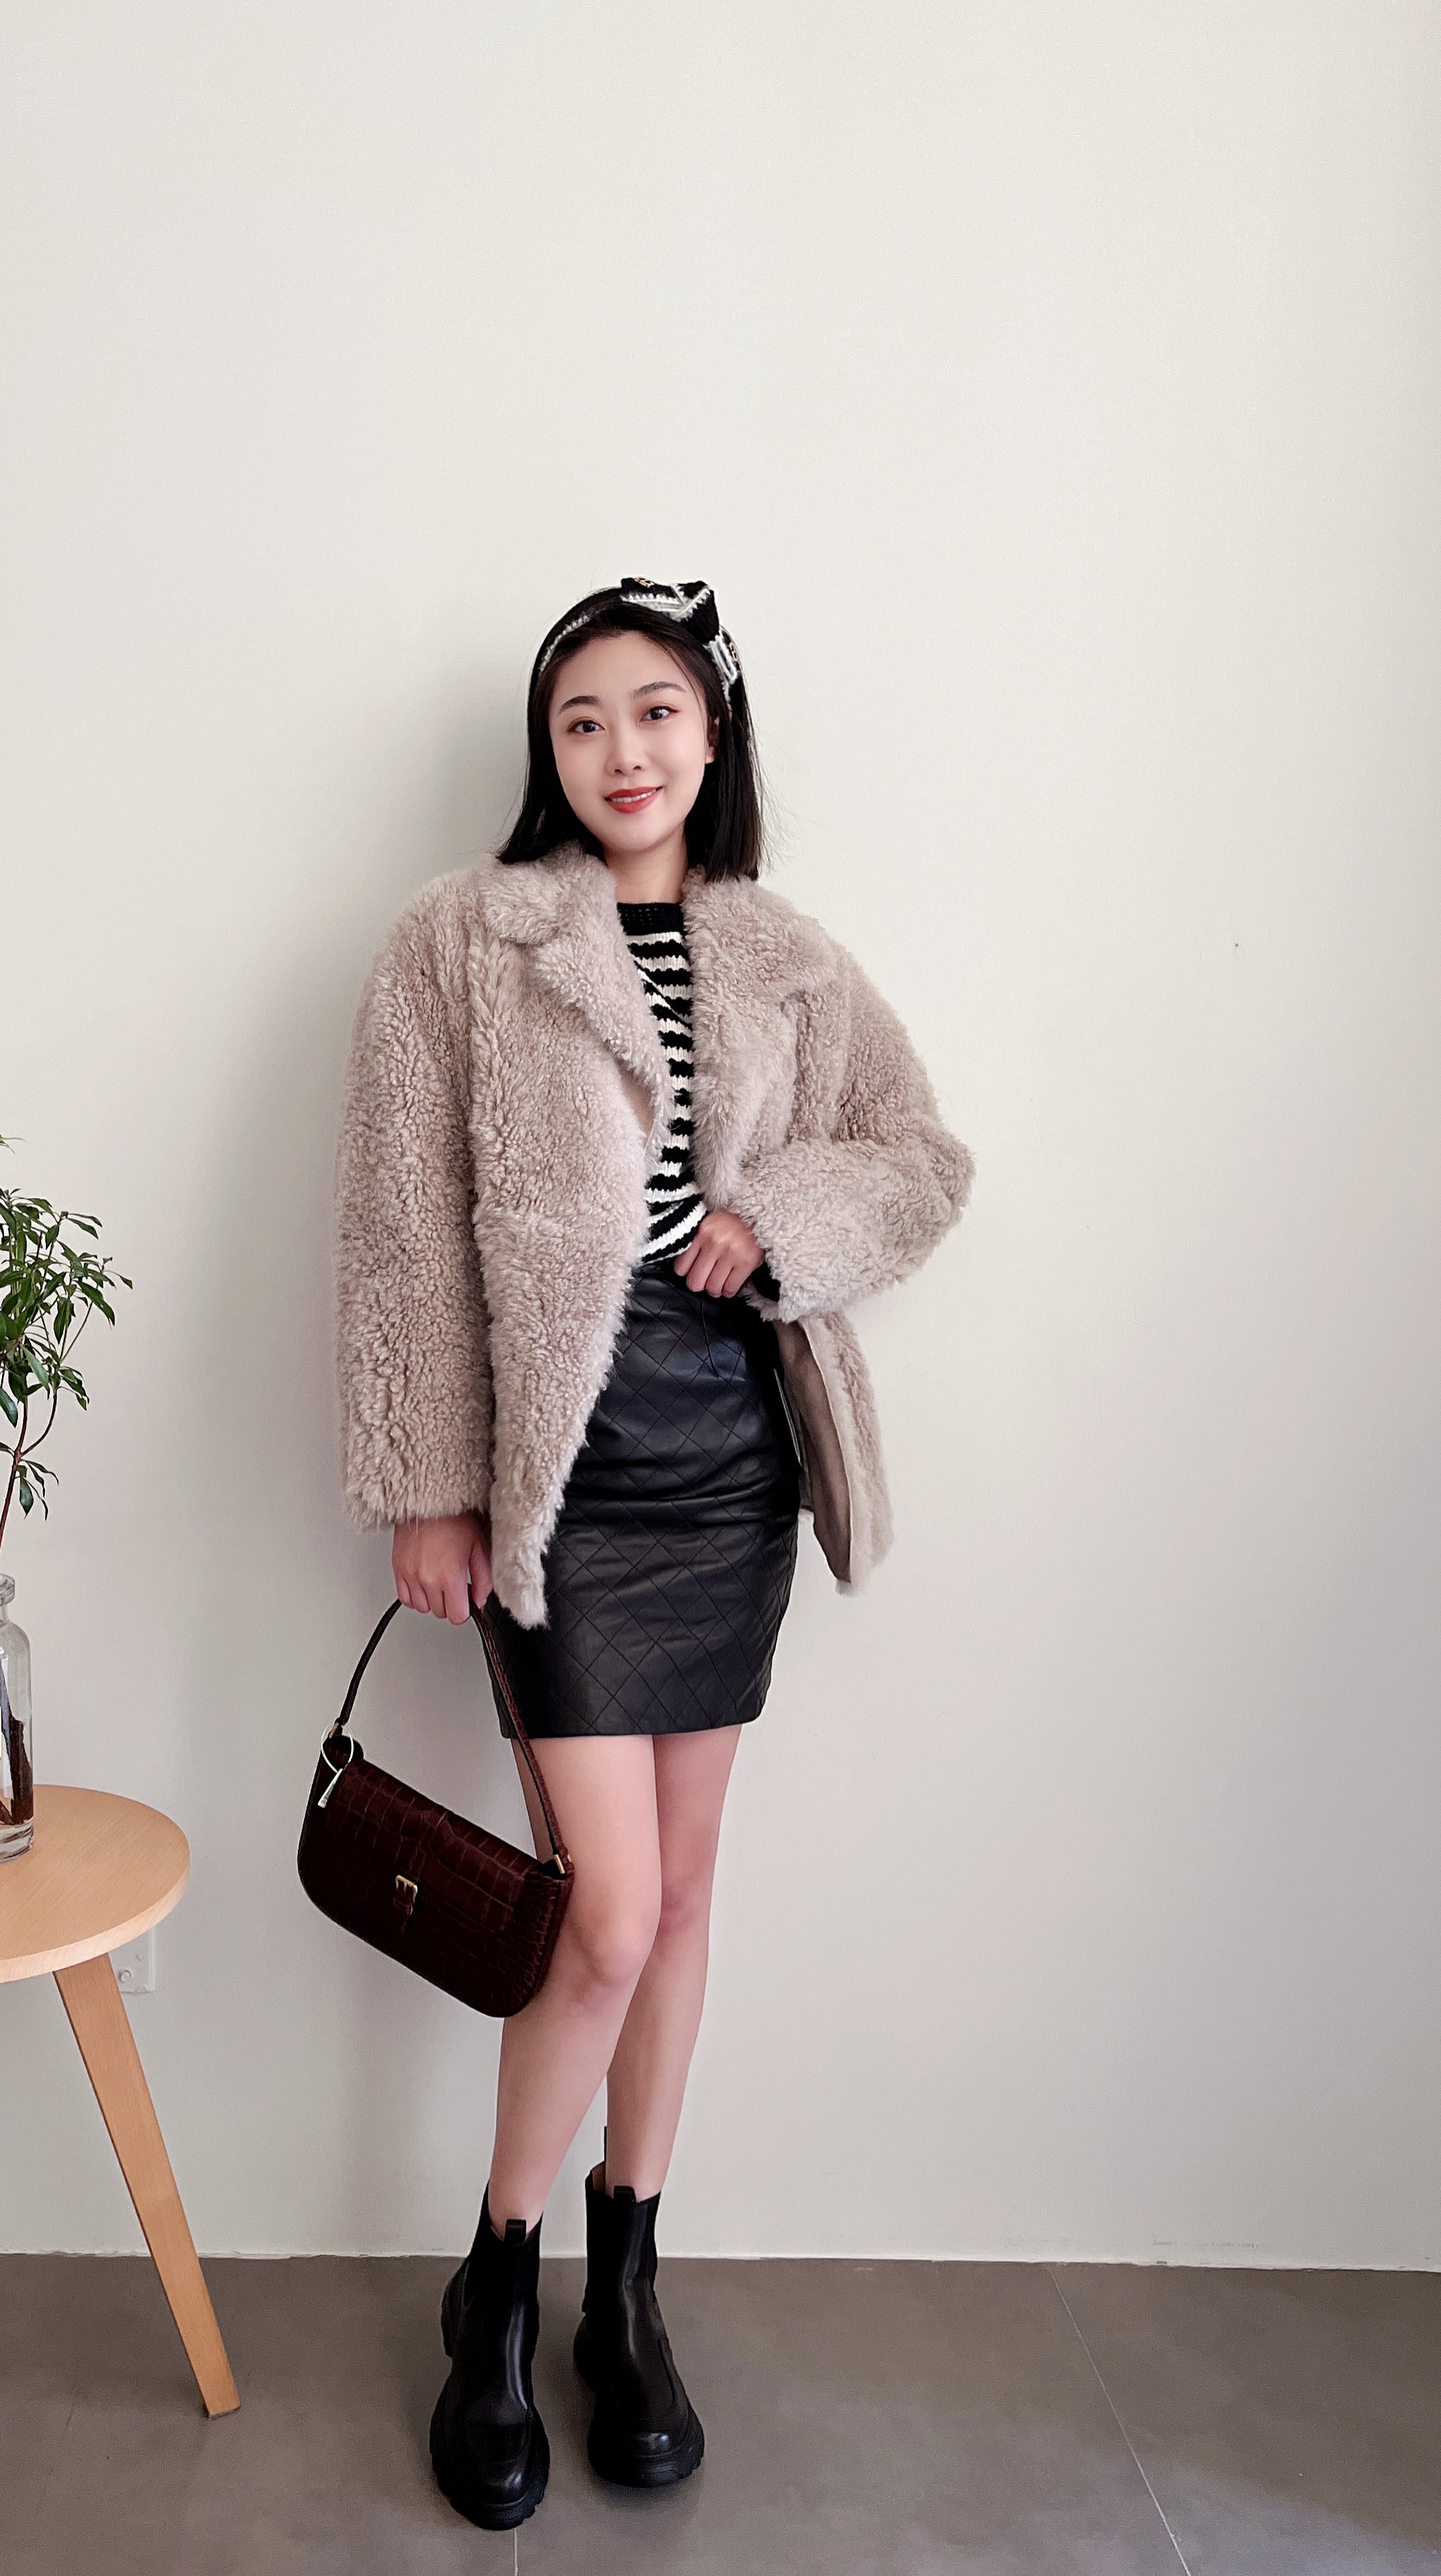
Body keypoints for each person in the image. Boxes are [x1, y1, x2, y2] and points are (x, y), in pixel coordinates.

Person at [332, 578, 972, 2529]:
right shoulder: (463, 940)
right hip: (562, 1485)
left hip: (728, 1475)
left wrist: (779, 1218)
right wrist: (427, 1480)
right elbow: (402, 1223)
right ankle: (494, 2288)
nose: (625, 750)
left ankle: (626, 2290)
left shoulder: (786, 954)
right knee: (602, 1916)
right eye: (585, 718)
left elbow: (920, 1157)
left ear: (714, 732)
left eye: (659, 711)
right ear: (549, 749)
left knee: (681, 1898)